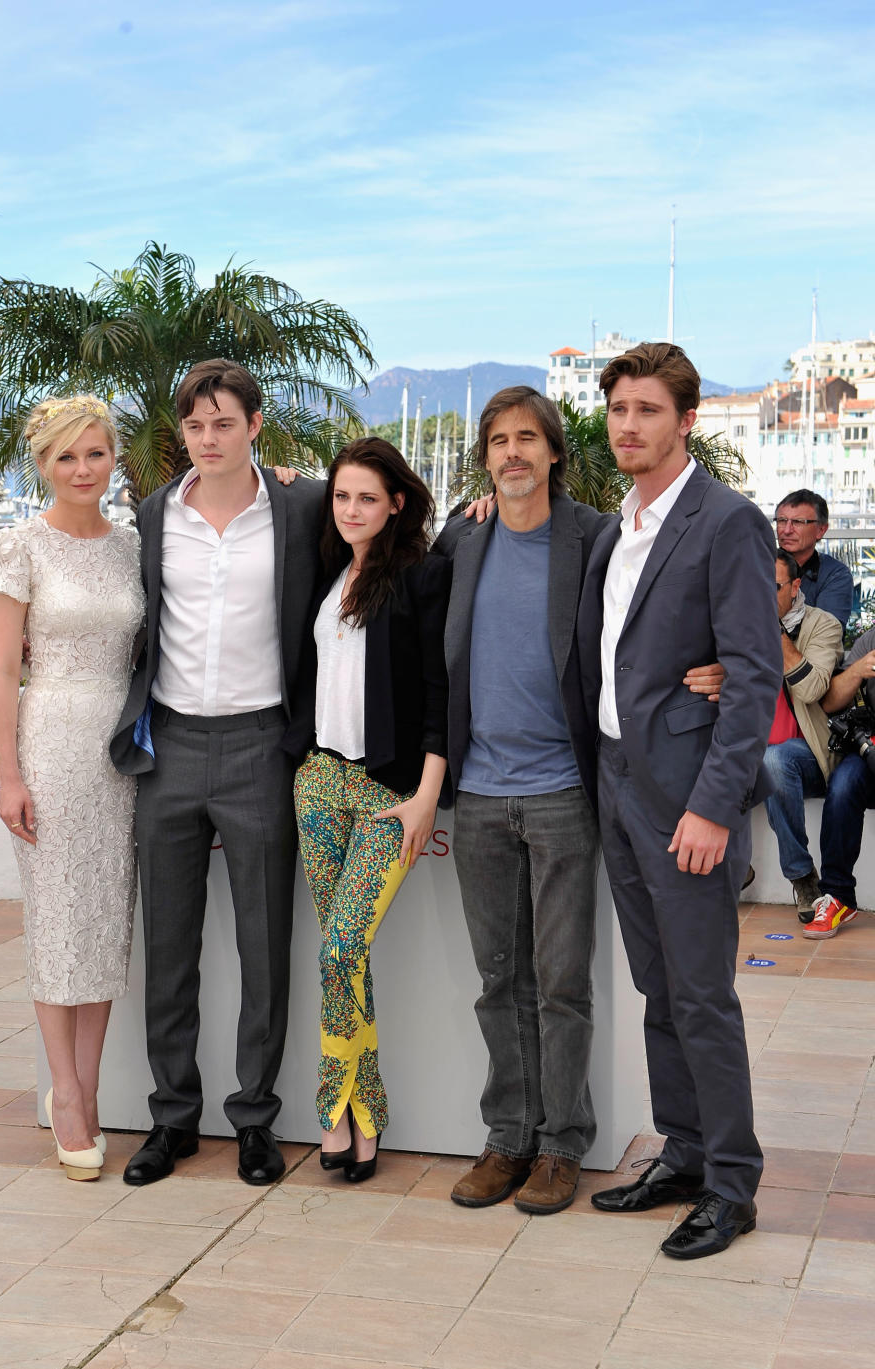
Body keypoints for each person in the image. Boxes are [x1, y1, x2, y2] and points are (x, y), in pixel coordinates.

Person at [435, 387, 722, 1216]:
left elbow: (671, 611)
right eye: (499, 441)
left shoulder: (596, 537)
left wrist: (728, 668)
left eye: (528, 438)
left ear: (555, 451)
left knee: (562, 982)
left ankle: (563, 1145)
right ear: (484, 457)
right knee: (499, 980)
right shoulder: (464, 537)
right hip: (480, 796)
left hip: (565, 792)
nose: (513, 452)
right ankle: (508, 1137)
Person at [576, 342, 781, 1259]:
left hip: (686, 798)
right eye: (619, 409)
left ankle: (733, 1183)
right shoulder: (614, 527)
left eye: (648, 410)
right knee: (659, 988)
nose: (629, 425)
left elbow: (752, 675)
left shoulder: (726, 521)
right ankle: (685, 1152)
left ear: (687, 420)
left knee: (703, 996)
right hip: (617, 782)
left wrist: (714, 804)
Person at [109, 359, 324, 1187]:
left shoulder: (303, 505)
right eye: (196, 426)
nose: (208, 438)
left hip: (261, 744)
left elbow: (389, 522)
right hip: (169, 746)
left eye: (224, 423)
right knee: (170, 948)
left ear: (255, 426)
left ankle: (257, 1120)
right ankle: (172, 1118)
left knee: (266, 944)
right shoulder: (156, 513)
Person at [0, 396, 144, 1181]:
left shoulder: (131, 546)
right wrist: (9, 776)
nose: (83, 469)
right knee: (56, 917)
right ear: (43, 465)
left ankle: (89, 1083)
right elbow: (4, 670)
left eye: (97, 453)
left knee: (105, 918)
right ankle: (66, 1095)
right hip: (50, 745)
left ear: (115, 458)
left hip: (123, 754)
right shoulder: (20, 548)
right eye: (67, 457)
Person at [283, 437, 450, 1182]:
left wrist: (426, 795)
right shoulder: (328, 570)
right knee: (347, 960)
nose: (352, 509)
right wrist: (281, 474)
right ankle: (363, 1114)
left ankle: (334, 1105)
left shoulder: (420, 576)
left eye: (367, 498)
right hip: (319, 782)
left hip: (388, 792)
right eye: (341, 496)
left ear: (397, 504)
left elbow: (443, 692)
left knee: (338, 951)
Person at [760, 549, 843, 922]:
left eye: (772, 586)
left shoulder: (823, 625)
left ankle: (802, 877)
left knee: (775, 760)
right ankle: (731, 867)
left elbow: (811, 691)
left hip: (806, 753)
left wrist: (773, 634)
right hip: (751, 746)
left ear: (795, 587)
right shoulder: (732, 622)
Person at [801, 623, 875, 938]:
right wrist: (857, 669)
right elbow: (829, 704)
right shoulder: (870, 640)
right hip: (870, 751)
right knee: (844, 784)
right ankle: (838, 897)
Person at [774, 489, 854, 632]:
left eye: (798, 522)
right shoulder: (761, 565)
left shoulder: (835, 575)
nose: (786, 530)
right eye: (782, 521)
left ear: (821, 530)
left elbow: (826, 634)